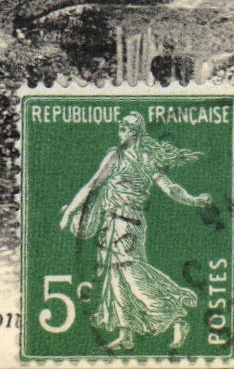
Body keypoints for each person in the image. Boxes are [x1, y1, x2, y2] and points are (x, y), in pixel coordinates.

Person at [60, 112, 211, 352]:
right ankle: (126, 335)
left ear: (135, 132)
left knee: (131, 275)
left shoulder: (124, 157)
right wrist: (70, 211)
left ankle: (175, 315)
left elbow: (168, 188)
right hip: (117, 223)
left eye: (125, 127)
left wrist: (192, 201)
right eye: (119, 126)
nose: (120, 130)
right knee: (116, 279)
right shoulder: (127, 156)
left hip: (126, 225)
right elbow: (94, 186)